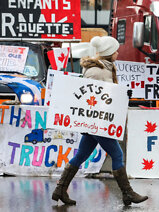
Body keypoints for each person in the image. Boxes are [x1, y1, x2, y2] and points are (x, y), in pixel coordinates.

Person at [52, 36, 148, 206]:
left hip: (98, 122)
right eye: (115, 51)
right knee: (117, 154)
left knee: (81, 155)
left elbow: (107, 96)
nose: (118, 53)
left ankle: (60, 190)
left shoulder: (105, 69)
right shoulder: (98, 72)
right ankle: (128, 193)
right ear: (110, 54)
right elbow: (90, 97)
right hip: (98, 123)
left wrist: (123, 96)